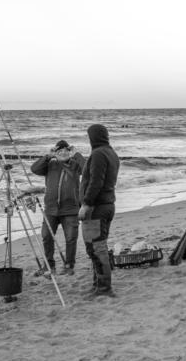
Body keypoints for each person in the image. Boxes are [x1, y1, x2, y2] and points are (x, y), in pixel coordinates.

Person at [31, 139, 86, 275]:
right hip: (51, 209)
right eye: (59, 151)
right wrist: (48, 156)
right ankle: (49, 266)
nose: (62, 153)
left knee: (71, 238)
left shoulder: (75, 165)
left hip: (71, 209)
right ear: (55, 153)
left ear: (69, 151)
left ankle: (69, 266)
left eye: (65, 150)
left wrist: (76, 154)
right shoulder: (50, 164)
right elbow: (34, 169)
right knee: (46, 236)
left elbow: (87, 169)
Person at [79, 124, 120, 297]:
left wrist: (86, 204)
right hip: (107, 205)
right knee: (97, 247)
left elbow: (96, 181)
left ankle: (104, 288)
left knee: (96, 248)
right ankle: (98, 284)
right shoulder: (111, 153)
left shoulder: (98, 154)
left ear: (93, 138)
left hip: (97, 208)